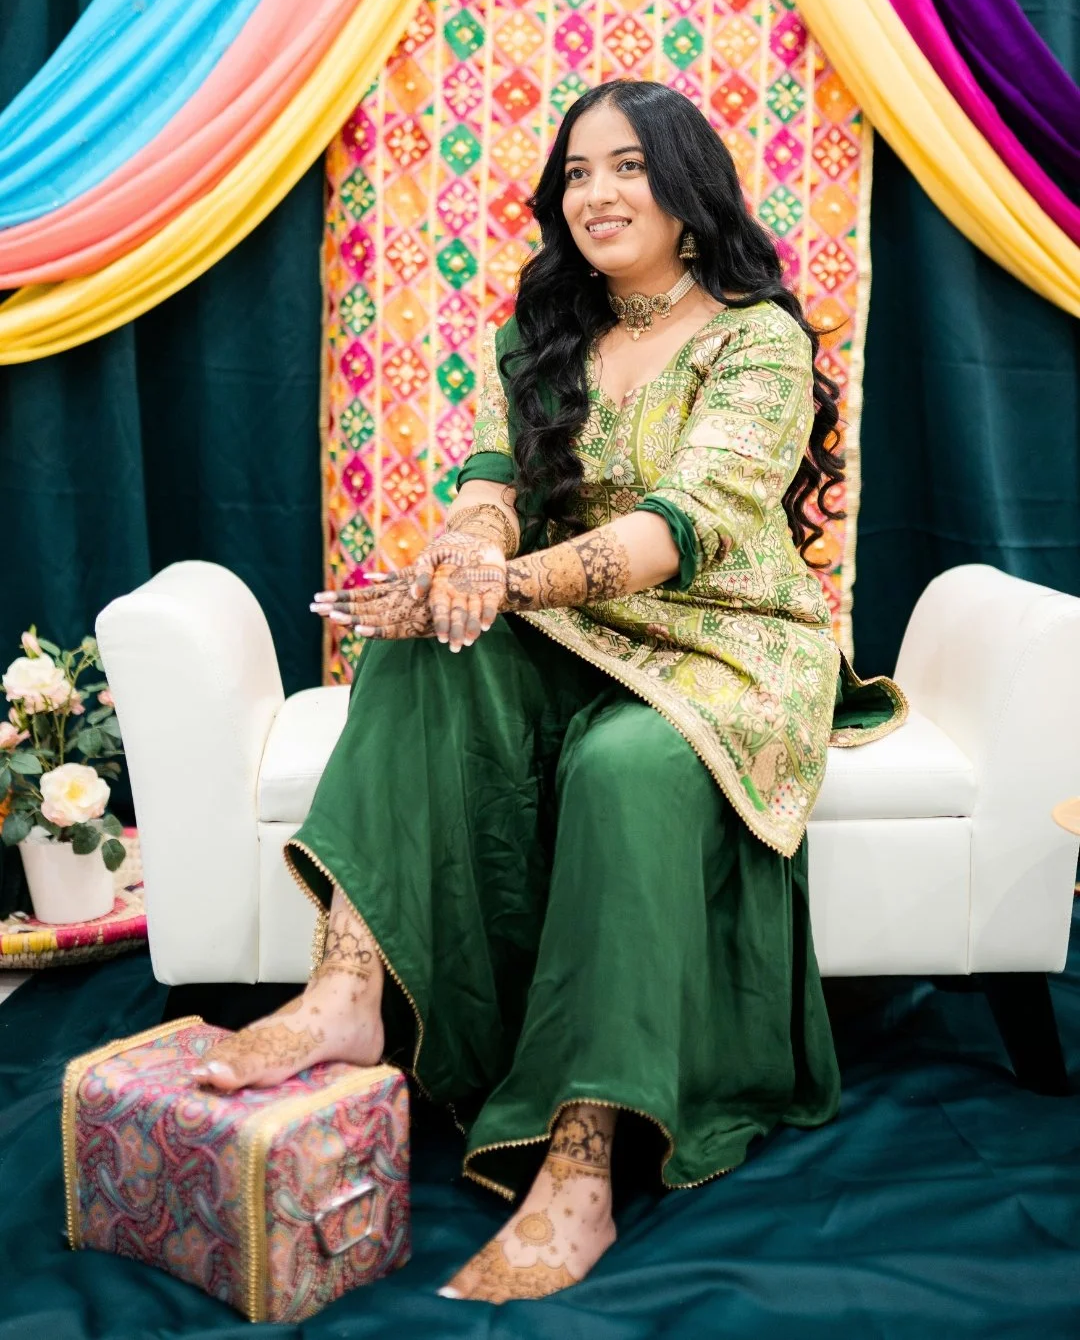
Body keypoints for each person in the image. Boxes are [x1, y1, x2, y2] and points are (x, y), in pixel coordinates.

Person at [190, 79, 906, 1304]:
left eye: (627, 167)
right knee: (422, 642)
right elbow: (487, 475)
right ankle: (347, 994)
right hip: (582, 625)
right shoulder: (548, 329)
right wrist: (464, 559)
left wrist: (499, 585)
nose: (597, 194)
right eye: (576, 173)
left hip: (725, 642)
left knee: (622, 765)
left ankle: (580, 1166)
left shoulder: (756, 336)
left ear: (690, 193)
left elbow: (682, 533)